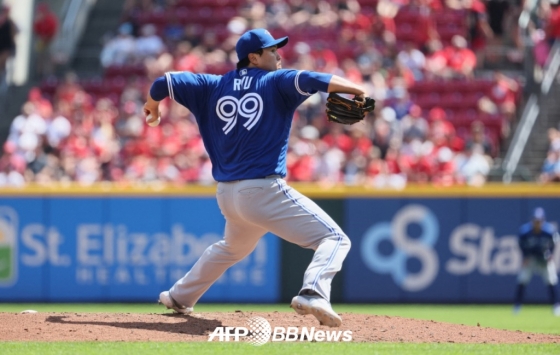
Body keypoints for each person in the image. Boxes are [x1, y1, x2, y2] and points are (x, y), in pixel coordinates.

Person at [144, 28, 365, 327]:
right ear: (254, 57)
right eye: (272, 50)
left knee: (232, 248)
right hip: (262, 190)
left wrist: (152, 106)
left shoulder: (210, 85)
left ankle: (180, 296)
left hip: (227, 195)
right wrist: (358, 90)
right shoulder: (276, 80)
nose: (278, 54)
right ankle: (313, 291)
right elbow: (315, 79)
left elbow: (162, 83)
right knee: (335, 238)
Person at [513, 207, 560, 316]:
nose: (537, 222)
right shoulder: (525, 231)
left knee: (551, 280)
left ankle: (556, 306)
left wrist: (551, 253)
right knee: (522, 279)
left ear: (543, 220)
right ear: (532, 220)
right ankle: (517, 306)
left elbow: (555, 242)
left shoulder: (549, 231)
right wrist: (524, 256)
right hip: (531, 258)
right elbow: (520, 244)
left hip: (544, 257)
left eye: (539, 220)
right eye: (535, 220)